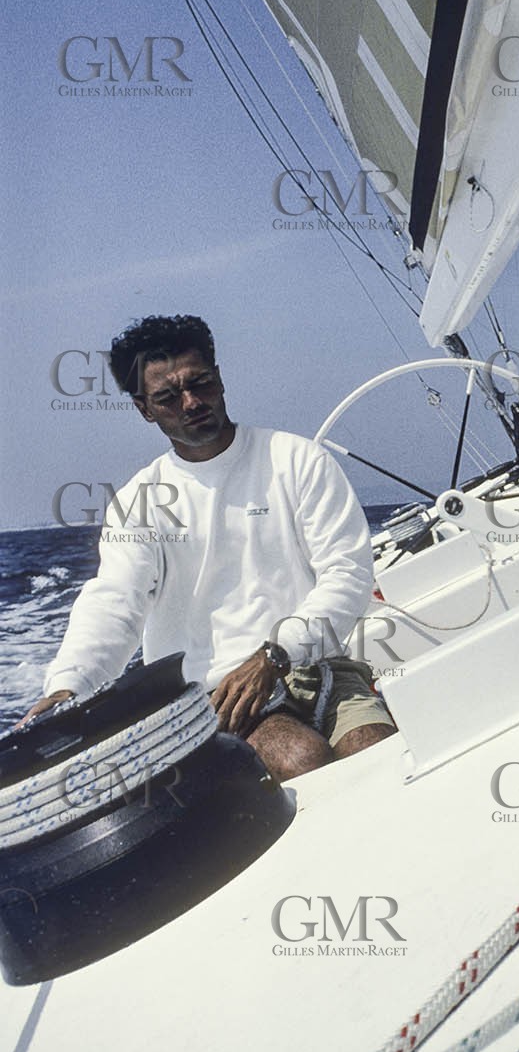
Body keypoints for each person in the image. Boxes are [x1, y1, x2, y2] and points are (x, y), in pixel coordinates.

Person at [21, 315, 395, 779]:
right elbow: (116, 601)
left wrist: (274, 655)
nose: (192, 402)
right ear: (144, 409)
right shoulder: (140, 502)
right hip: (219, 696)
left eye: (200, 383)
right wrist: (68, 687)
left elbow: (348, 575)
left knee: (379, 755)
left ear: (219, 378)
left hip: (321, 669)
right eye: (168, 397)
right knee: (302, 760)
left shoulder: (296, 460)